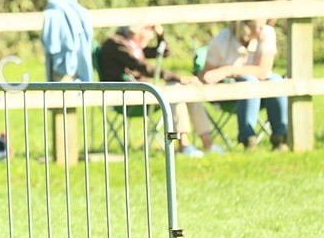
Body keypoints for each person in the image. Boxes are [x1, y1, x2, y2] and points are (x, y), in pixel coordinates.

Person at [98, 25, 217, 156]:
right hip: (125, 95)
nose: (149, 41)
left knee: (185, 89)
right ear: (137, 34)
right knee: (175, 88)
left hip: (141, 91)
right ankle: (184, 144)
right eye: (149, 36)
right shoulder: (116, 44)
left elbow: (164, 52)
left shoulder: (132, 44)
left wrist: (160, 35)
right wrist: (179, 77)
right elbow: (144, 68)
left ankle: (208, 144)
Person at [199, 19, 288, 151]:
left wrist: (228, 70)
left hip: (263, 92)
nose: (262, 29)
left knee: (275, 80)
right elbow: (206, 75)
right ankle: (248, 139)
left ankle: (280, 139)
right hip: (230, 95)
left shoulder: (267, 32)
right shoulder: (222, 40)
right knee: (249, 82)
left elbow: (263, 71)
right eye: (257, 26)